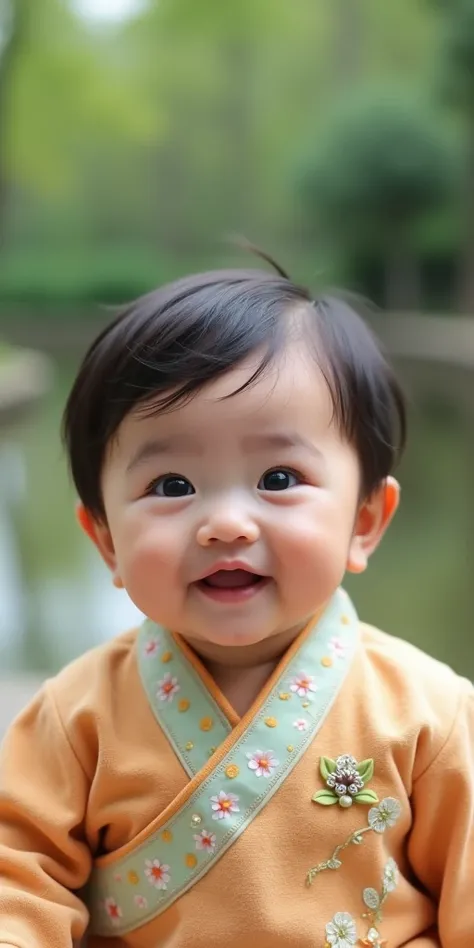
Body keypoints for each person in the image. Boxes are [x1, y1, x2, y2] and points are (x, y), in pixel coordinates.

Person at [0, 259, 472, 948]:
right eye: (170, 484)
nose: (225, 523)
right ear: (105, 540)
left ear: (365, 520)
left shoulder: (433, 717)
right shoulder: (75, 721)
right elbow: (17, 878)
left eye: (278, 478)